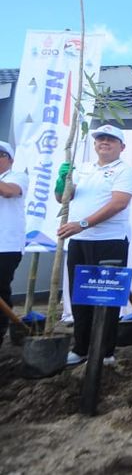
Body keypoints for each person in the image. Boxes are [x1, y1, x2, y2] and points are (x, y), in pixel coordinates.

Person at [56, 125, 132, 366]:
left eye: (111, 140)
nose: (104, 142)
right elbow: (62, 198)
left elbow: (118, 204)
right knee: (79, 296)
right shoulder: (81, 169)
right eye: (100, 139)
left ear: (121, 146)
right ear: (95, 144)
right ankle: (81, 347)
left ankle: (105, 351)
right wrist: (62, 181)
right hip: (80, 242)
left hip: (110, 242)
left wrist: (82, 223)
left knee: (106, 297)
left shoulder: (125, 171)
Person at [0, 141, 29, 347]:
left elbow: (9, 191)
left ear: (10, 160)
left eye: (1, 155)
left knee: (1, 290)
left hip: (6, 246)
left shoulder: (17, 176)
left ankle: (1, 334)